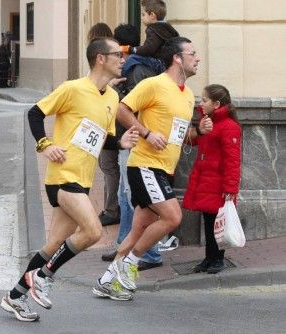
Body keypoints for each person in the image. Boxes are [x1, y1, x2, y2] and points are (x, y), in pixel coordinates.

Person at [0, 37, 139, 322]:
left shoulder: (112, 97)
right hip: (63, 176)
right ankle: (43, 277)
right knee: (93, 231)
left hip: (83, 179)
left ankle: (14, 296)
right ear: (100, 58)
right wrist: (44, 144)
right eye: (118, 54)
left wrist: (120, 142)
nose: (123, 58)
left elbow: (102, 138)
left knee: (53, 245)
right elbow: (35, 113)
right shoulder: (72, 89)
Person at [95, 37, 211, 298]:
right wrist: (146, 134)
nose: (197, 58)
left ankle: (107, 280)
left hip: (164, 170)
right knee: (172, 217)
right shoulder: (154, 84)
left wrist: (199, 132)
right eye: (192, 53)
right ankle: (129, 267)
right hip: (145, 165)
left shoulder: (188, 94)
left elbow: (180, 136)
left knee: (139, 230)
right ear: (177, 58)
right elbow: (122, 109)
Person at [101, 24, 163, 270]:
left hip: (135, 140)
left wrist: (114, 90)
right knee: (127, 197)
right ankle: (123, 245)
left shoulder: (134, 69)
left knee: (136, 198)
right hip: (133, 139)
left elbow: (132, 107)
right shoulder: (136, 67)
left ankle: (147, 252)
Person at [183, 84, 241, 274]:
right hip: (207, 181)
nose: (201, 103)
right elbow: (193, 140)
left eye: (204, 100)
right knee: (209, 222)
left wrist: (230, 189)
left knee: (219, 222)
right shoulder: (208, 123)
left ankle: (218, 259)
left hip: (219, 184)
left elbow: (233, 161)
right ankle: (209, 258)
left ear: (216, 104)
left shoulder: (229, 127)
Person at [86, 22, 119, 227]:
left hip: (108, 124)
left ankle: (111, 209)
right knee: (108, 166)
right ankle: (111, 208)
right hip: (106, 124)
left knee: (108, 166)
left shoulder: (107, 65)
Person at [124, 0, 179, 75]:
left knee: (132, 58)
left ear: (152, 15)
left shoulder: (153, 29)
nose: (141, 18)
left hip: (159, 64)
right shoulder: (166, 28)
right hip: (169, 65)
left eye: (143, 14)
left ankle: (122, 77)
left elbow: (148, 49)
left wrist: (130, 49)